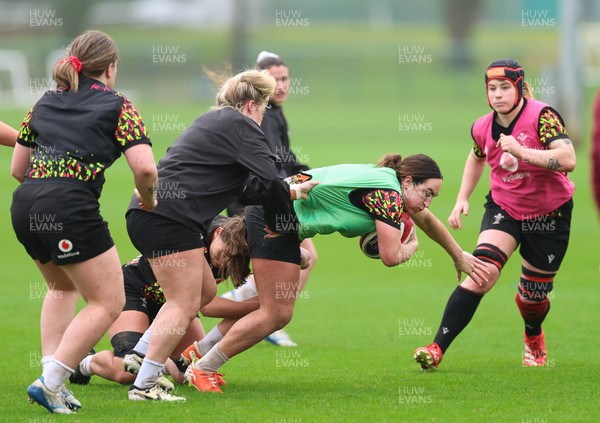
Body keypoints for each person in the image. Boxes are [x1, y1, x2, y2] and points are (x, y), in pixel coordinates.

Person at [183, 153, 489, 393]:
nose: (428, 202)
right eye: (429, 192)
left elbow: (427, 219)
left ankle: (196, 352)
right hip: (275, 219)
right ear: (408, 181)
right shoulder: (388, 194)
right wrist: (412, 245)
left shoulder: (385, 180)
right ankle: (204, 368)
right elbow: (390, 257)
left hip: (278, 215)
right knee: (276, 314)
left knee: (267, 308)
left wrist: (458, 254)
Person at [123, 68, 318, 402]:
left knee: (204, 290)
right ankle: (145, 384)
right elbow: (271, 183)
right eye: (265, 105)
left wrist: (294, 192)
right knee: (182, 303)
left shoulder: (215, 120)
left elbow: (252, 189)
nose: (265, 113)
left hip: (151, 213)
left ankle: (141, 353)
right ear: (251, 104)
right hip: (169, 217)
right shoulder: (241, 125)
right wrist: (289, 236)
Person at [10, 30, 158, 414]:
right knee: (108, 300)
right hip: (70, 207)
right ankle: (51, 381)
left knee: (61, 288)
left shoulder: (44, 101)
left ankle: (52, 380)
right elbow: (144, 168)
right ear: (110, 68)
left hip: (25, 205)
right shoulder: (119, 105)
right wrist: (149, 200)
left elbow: (17, 168)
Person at [414, 59, 575, 370]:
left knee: (532, 298)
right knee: (481, 272)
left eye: (505, 88)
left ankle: (533, 335)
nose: (498, 95)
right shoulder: (481, 126)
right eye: (492, 89)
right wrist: (462, 198)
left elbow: (568, 159)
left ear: (519, 89)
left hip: (550, 215)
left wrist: (522, 151)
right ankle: (436, 349)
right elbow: (477, 156)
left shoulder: (543, 116)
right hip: (505, 208)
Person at [69, 215, 266, 388]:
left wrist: (262, 306)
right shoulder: (195, 233)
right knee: (128, 371)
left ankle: (159, 362)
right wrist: (260, 306)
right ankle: (85, 362)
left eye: (231, 260)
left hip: (176, 304)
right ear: (218, 232)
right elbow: (207, 306)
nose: (223, 262)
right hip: (135, 291)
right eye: (223, 254)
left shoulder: (230, 254)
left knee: (185, 371)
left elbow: (200, 302)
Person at [223, 51, 315, 348]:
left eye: (285, 78)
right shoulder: (264, 115)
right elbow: (268, 168)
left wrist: (309, 173)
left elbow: (284, 161)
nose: (282, 85)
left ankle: (257, 310)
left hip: (271, 195)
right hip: (259, 201)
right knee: (303, 258)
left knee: (295, 260)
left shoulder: (275, 112)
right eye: (275, 80)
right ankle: (264, 315)